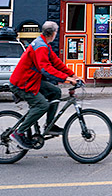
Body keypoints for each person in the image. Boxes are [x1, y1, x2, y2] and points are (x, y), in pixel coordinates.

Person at [8, 21, 80, 149]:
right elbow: (45, 69)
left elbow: (56, 62)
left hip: (31, 80)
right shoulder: (41, 46)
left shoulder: (44, 44)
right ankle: (18, 132)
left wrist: (73, 75)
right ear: (52, 33)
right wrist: (67, 79)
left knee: (56, 92)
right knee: (42, 105)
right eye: (56, 32)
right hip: (23, 82)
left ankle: (49, 125)